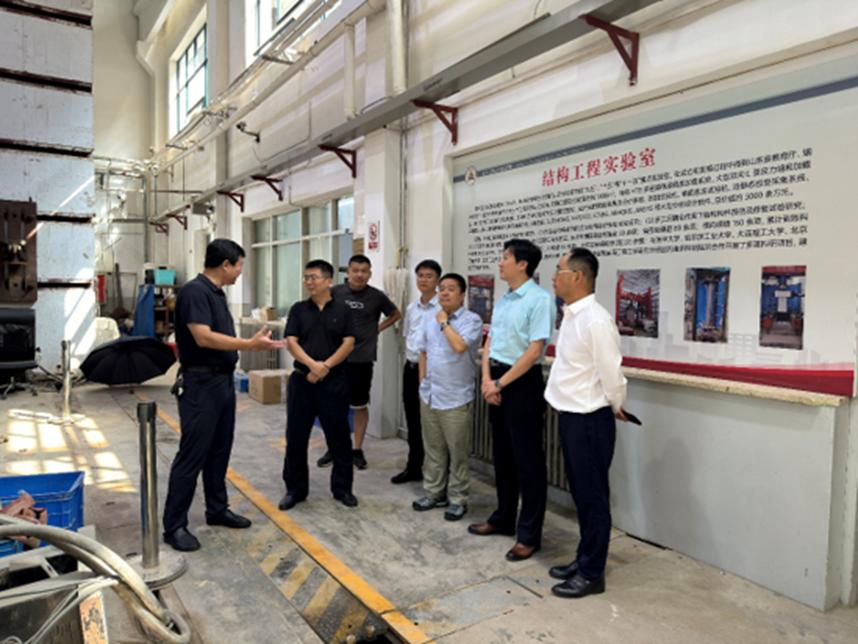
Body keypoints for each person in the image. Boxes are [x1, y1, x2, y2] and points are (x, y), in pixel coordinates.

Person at [163, 239, 284, 552]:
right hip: (200, 385)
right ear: (226, 264)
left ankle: (216, 510)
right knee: (192, 455)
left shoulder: (216, 293)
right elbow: (203, 338)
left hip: (221, 383)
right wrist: (249, 345)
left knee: (219, 450)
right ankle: (174, 526)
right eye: (239, 265)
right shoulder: (195, 291)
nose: (240, 271)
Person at [545, 247, 628, 598]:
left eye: (559, 270)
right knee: (582, 495)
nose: (553, 277)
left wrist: (616, 404)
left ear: (577, 276)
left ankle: (593, 573)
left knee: (593, 498)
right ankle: (584, 558)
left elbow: (612, 373)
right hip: (572, 417)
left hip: (590, 419)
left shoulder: (595, 320)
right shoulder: (572, 315)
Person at [468, 239, 553, 562]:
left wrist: (500, 383)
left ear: (523, 264)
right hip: (496, 379)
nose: (500, 262)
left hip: (521, 383)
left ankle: (529, 535)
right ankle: (503, 518)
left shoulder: (539, 299)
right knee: (502, 455)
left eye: (505, 258)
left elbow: (534, 351)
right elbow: (490, 340)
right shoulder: (504, 299)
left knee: (528, 461)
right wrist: (486, 379)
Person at [279, 260, 358, 510]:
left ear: (328, 281)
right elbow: (291, 342)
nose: (309, 282)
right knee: (296, 437)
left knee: (339, 438)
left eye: (313, 277)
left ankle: (343, 489)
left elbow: (349, 343)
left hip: (334, 382)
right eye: (306, 278)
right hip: (302, 381)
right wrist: (313, 365)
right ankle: (295, 490)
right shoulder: (298, 309)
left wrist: (325, 367)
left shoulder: (343, 309)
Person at [317, 254, 401, 470]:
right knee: (332, 405)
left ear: (370, 274)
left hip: (362, 359)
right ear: (348, 272)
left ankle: (357, 450)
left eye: (364, 271)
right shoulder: (335, 292)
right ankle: (334, 447)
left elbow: (395, 314)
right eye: (355, 270)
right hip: (335, 360)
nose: (359, 275)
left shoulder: (377, 296)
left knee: (359, 406)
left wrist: (377, 329)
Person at [411, 273, 482, 520]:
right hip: (430, 394)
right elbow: (422, 351)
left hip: (456, 396)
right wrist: (423, 381)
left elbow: (459, 346)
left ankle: (458, 499)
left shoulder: (472, 320)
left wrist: (444, 323)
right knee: (433, 449)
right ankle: (434, 493)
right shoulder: (430, 320)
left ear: (462, 295)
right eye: (442, 288)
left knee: (458, 452)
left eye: (451, 289)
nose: (444, 293)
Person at [392, 259, 442, 484]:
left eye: (429, 276)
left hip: (434, 372)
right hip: (411, 369)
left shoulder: (443, 308)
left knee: (433, 424)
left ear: (437, 280)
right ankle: (413, 467)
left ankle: (436, 472)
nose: (423, 280)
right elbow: (408, 338)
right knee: (413, 420)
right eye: (420, 275)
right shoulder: (412, 308)